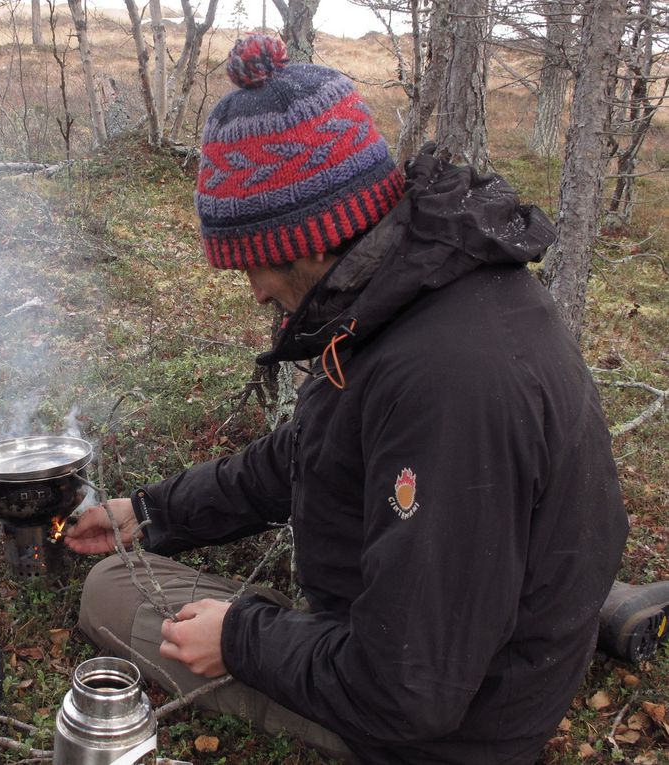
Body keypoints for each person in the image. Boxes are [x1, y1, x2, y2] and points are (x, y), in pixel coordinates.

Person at [65, 34, 630, 765]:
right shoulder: (410, 291)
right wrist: (152, 513)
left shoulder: (441, 379)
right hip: (465, 632)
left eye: (254, 265)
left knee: (112, 592)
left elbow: (407, 689)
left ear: (309, 237)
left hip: (454, 725)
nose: (256, 290)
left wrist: (240, 636)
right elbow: (310, 451)